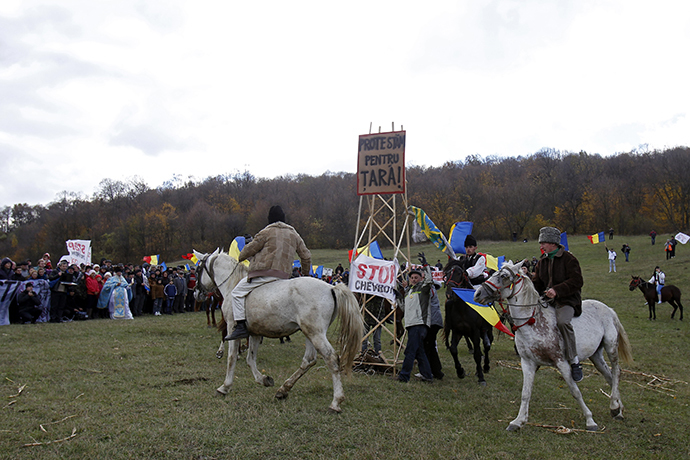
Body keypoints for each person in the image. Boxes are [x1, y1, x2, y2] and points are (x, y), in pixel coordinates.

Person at [225, 205, 311, 341]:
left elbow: (249, 250)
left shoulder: (266, 232)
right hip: (284, 276)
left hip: (263, 274)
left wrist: (241, 256)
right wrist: (305, 276)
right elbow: (306, 256)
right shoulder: (294, 234)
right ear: (284, 218)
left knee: (237, 293)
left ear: (270, 219)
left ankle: (241, 326)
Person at [531, 227, 585, 383]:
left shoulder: (569, 259)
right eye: (540, 243)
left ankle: (574, 361)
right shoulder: (542, 261)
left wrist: (557, 290)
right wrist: (526, 279)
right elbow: (537, 284)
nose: (541, 246)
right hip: (548, 302)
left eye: (543, 243)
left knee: (562, 322)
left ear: (553, 243)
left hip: (567, 301)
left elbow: (577, 281)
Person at [395, 253, 433, 383]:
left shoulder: (423, 289)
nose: (414, 279)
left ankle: (404, 376)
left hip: (419, 324)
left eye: (416, 277)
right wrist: (399, 297)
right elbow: (405, 309)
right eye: (412, 278)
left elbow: (429, 281)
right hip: (411, 324)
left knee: (410, 351)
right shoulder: (408, 292)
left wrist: (426, 266)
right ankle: (427, 375)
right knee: (419, 352)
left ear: (420, 279)